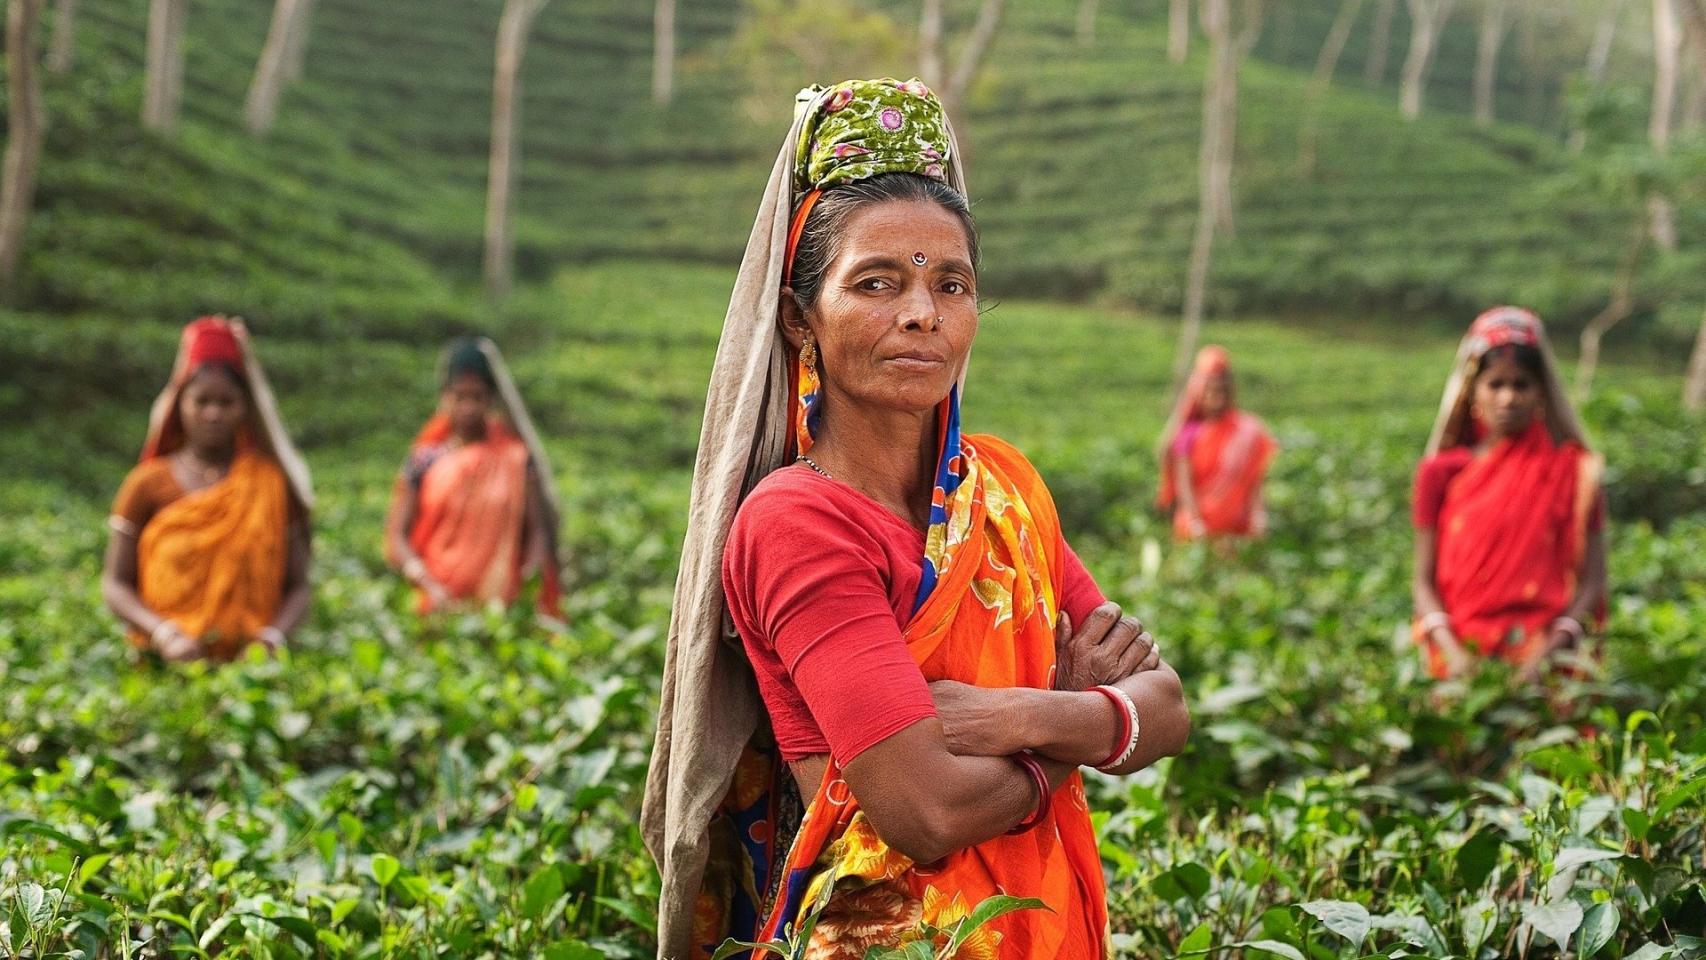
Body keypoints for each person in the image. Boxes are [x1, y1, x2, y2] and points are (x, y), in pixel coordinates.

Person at [642, 79, 1190, 959]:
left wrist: (1008, 716)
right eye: (876, 282)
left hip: (1036, 924)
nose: (921, 313)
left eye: (952, 283)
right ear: (798, 320)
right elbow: (925, 811)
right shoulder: (798, 521)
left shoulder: (1003, 485)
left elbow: (1167, 708)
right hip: (887, 937)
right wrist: (1076, 724)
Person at [1411, 306, 1608, 683]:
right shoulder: (1440, 474)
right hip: (1459, 657)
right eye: (1495, 384)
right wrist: (1452, 654)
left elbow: (1593, 582)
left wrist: (1546, 656)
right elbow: (1423, 581)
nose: (1508, 398)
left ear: (1541, 394)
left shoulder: (1574, 472)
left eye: (1521, 385)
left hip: (1545, 657)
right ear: (1473, 391)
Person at [102, 316, 314, 662]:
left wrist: (272, 639)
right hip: (163, 662)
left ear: (244, 408)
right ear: (180, 404)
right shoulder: (146, 484)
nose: (213, 414)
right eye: (201, 401)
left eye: (226, 402)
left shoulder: (270, 483)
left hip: (253, 670)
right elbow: (115, 583)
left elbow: (299, 585)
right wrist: (163, 634)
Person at [385, 336, 563, 621]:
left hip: (501, 608)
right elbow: (397, 537)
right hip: (433, 602)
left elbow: (537, 532)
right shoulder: (425, 459)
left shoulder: (515, 458)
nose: (468, 407)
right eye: (459, 397)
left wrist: (526, 586)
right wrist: (426, 582)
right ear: (445, 397)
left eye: (477, 397)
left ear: (491, 399)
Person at [1156, 345, 1277, 540]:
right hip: (1197, 528)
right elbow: (1184, 483)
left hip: (1238, 529)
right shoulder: (1189, 432)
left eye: (1221, 390)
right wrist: (1195, 521)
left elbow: (1255, 481)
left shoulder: (1247, 431)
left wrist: (1258, 515)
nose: (1215, 396)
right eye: (1210, 390)